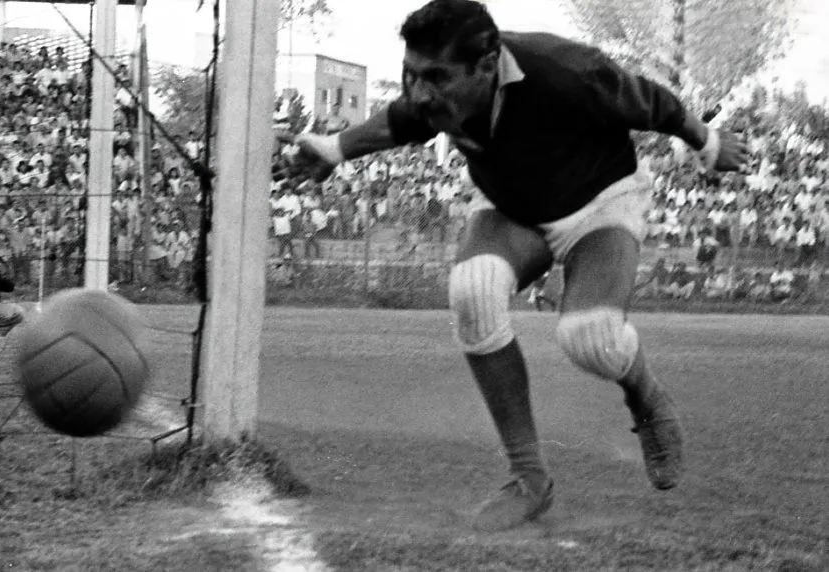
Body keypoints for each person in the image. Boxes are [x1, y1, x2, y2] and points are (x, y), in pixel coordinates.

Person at [289, 0, 747, 531]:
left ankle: (645, 396)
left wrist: (709, 143)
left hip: (599, 203)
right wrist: (333, 148)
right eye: (411, 75)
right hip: (510, 207)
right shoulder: (437, 90)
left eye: (434, 78)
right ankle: (528, 478)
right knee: (473, 290)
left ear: (487, 66)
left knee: (591, 338)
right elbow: (400, 121)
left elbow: (652, 103)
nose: (419, 92)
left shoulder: (564, 71)